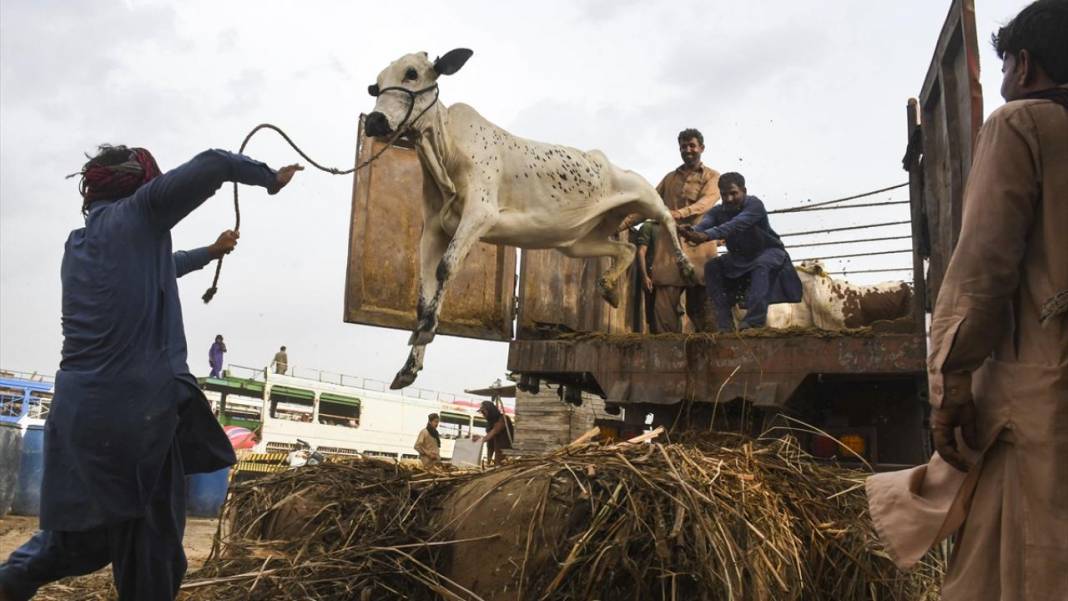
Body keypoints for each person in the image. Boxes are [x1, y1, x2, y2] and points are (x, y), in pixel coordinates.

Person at [0, 145, 302, 601]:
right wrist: (268, 179)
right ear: (140, 182)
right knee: (153, 550)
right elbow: (215, 163)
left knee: (77, 541)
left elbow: (165, 266)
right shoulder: (139, 213)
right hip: (139, 417)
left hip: (78, 415)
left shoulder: (79, 245)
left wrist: (210, 251)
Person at [866, 3, 1067, 599]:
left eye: (1004, 66)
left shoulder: (1021, 124)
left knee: (1025, 562)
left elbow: (982, 271)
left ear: (1023, 66)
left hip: (1041, 401)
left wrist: (949, 389)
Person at [624, 128, 721, 333]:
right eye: (683, 146)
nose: (688, 150)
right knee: (664, 315)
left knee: (706, 313)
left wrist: (678, 213)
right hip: (669, 252)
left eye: (692, 145)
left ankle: (714, 355)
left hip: (700, 250)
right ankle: (668, 358)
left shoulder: (713, 177)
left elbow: (707, 202)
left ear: (701, 148)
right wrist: (620, 225)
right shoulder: (669, 179)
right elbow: (649, 204)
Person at [680, 172, 802, 331]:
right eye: (724, 194)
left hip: (769, 252)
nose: (729, 198)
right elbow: (705, 224)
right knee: (712, 267)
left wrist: (705, 235)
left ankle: (753, 322)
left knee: (761, 265)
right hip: (739, 258)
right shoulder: (717, 211)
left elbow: (734, 225)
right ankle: (724, 326)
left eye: (733, 193)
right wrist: (690, 231)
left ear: (744, 190)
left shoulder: (754, 205)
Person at [474, 400, 513, 467]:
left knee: (503, 466)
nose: (483, 415)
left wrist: (481, 440)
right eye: (482, 413)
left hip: (507, 451)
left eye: (484, 412)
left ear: (490, 411)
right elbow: (490, 444)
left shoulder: (503, 419)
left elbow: (495, 431)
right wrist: (488, 462)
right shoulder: (490, 423)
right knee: (497, 466)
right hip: (498, 452)